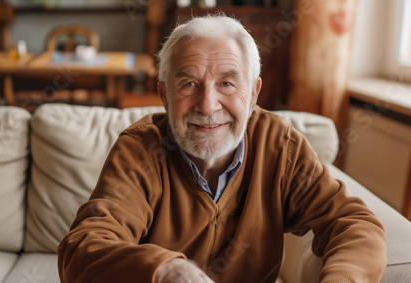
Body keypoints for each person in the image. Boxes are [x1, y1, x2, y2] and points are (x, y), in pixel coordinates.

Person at [58, 15, 386, 283]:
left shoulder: (279, 145)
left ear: (253, 92)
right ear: (163, 94)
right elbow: (83, 249)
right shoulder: (143, 149)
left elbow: (353, 222)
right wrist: (167, 270)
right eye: (188, 84)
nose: (208, 104)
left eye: (227, 83)